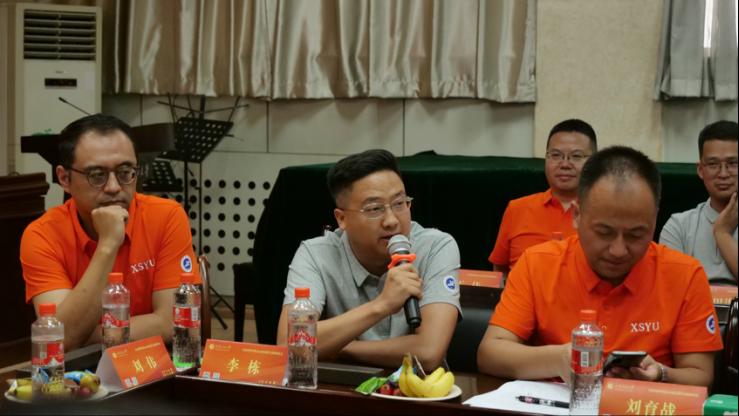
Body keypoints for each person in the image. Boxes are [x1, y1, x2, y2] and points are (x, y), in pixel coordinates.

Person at [478, 146, 722, 387]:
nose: (618, 250)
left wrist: (660, 374)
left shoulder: (684, 275)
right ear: (577, 215)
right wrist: (559, 359)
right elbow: (490, 354)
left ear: (654, 219)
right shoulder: (537, 264)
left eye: (636, 235)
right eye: (604, 232)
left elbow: (700, 376)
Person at [21, 114, 200, 351]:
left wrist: (85, 334)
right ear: (64, 178)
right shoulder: (42, 235)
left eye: (125, 172)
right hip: (81, 370)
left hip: (151, 362)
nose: (114, 187)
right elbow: (62, 339)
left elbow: (172, 322)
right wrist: (108, 244)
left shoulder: (166, 216)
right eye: (97, 175)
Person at [276, 149, 461, 370]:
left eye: (399, 203)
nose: (392, 221)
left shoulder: (436, 247)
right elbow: (289, 344)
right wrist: (382, 305)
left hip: (418, 389)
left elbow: (429, 352)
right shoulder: (316, 255)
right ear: (342, 219)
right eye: (374, 209)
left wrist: (337, 347)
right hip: (340, 388)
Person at [489, 119, 597, 274]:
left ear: (594, 162)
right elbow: (500, 270)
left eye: (576, 156)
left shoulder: (605, 213)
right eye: (556, 155)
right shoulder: (517, 209)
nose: (565, 164)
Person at [660, 120, 738, 284]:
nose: (723, 174)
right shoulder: (678, 226)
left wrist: (722, 234)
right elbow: (672, 288)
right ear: (701, 170)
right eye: (713, 164)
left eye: (733, 163)